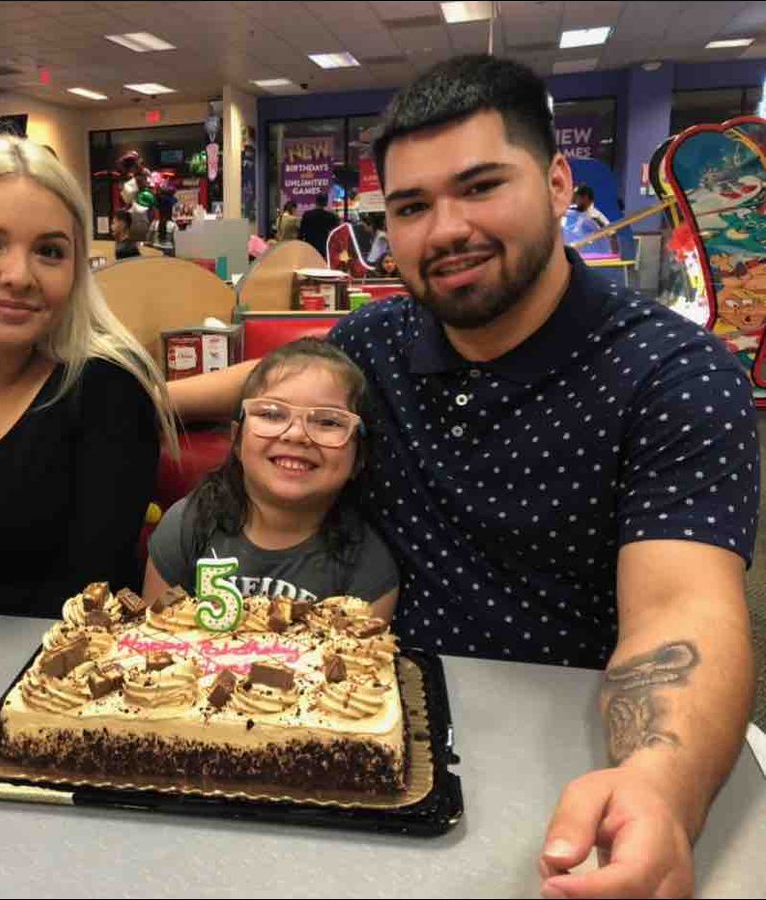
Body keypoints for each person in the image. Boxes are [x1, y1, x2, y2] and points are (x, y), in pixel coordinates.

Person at [168, 54, 758, 900]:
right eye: (412, 206)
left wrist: (661, 784)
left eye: (481, 187)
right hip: (359, 731)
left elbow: (683, 611)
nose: (445, 230)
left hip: (565, 755)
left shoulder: (673, 376)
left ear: (558, 183)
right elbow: (266, 386)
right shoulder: (378, 341)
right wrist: (122, 394)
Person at [0, 136, 176, 616]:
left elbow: (87, 599)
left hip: (55, 660)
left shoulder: (109, 390)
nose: (19, 276)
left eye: (50, 251)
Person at [146, 338, 398, 618]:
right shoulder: (187, 525)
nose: (296, 434)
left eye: (328, 421)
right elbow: (152, 634)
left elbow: (365, 646)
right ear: (237, 441)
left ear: (359, 459)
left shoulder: (369, 567)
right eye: (272, 414)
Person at [572, 183, 619, 254]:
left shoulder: (595, 217)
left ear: (585, 198)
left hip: (593, 256)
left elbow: (612, 234)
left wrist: (614, 256)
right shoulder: (569, 212)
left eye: (577, 196)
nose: (575, 199)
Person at [298, 193, 340, 258]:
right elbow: (336, 228)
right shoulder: (330, 216)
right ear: (326, 203)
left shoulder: (307, 215)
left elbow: (301, 232)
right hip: (323, 247)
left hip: (309, 246)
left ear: (316, 202)